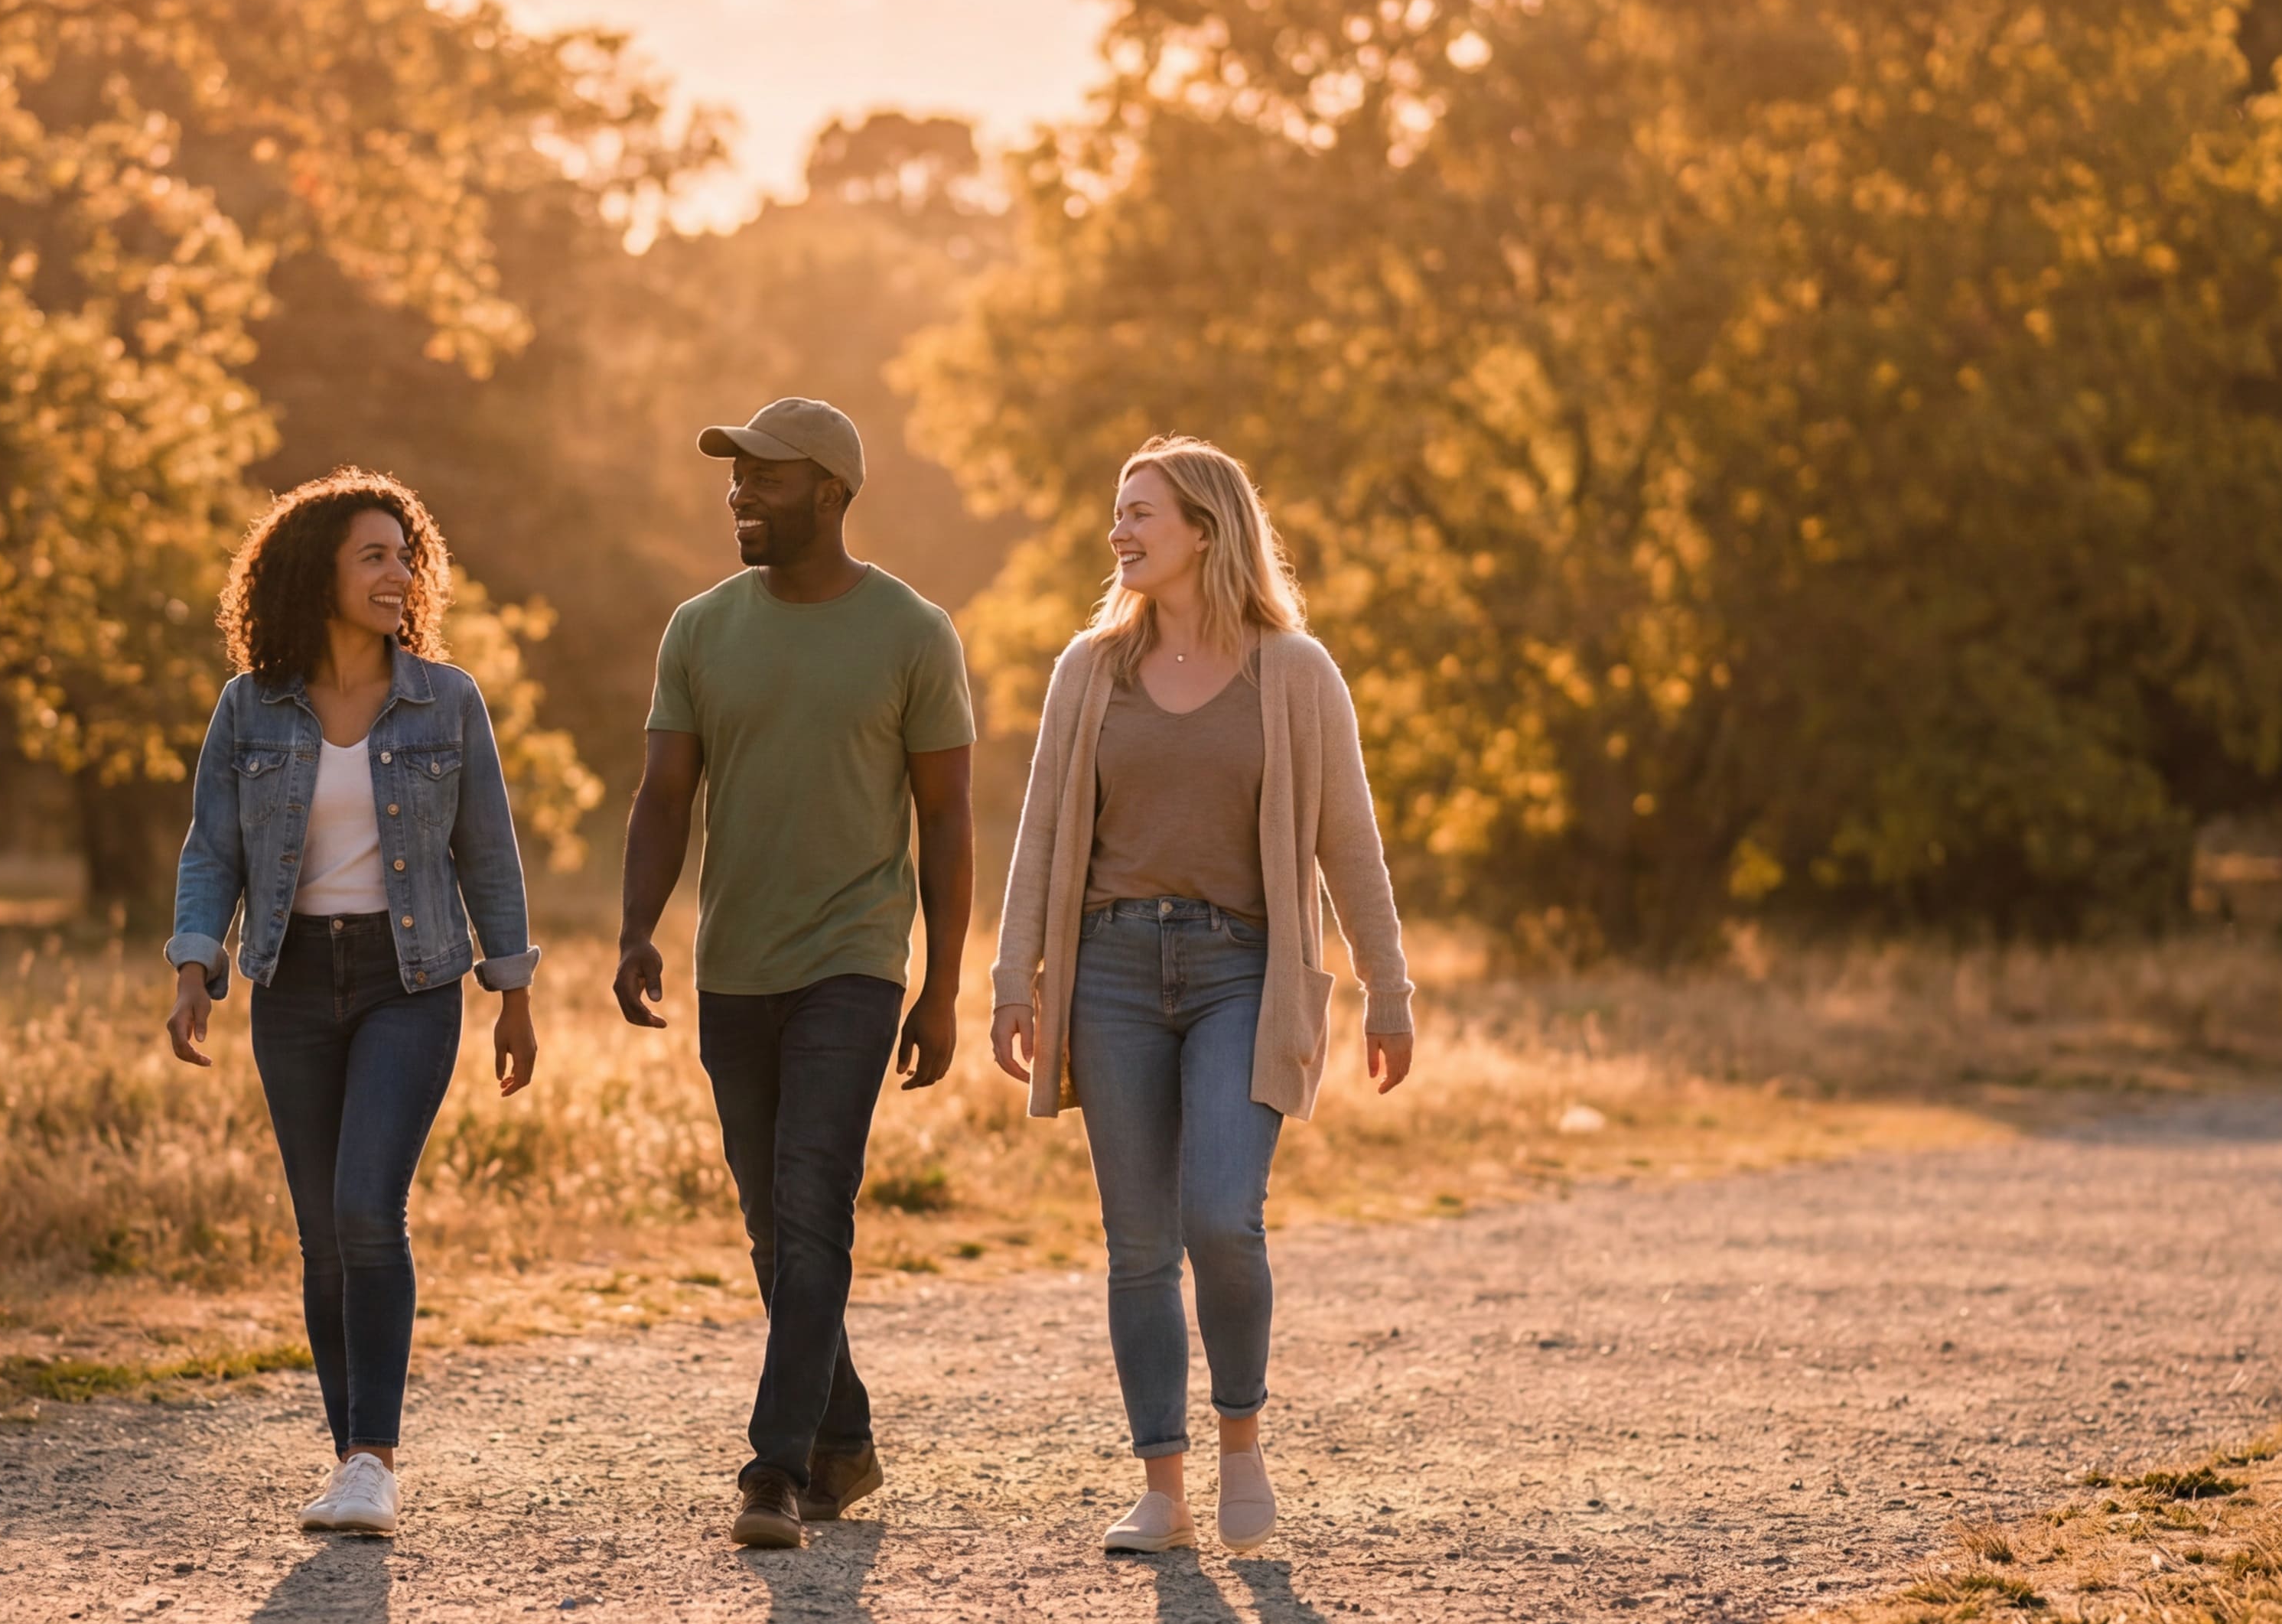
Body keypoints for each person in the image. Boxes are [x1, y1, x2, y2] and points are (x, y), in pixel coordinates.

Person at [987, 436, 1414, 1553]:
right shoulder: (1091, 670)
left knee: (1221, 1217)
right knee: (1138, 1244)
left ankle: (1241, 1441)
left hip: (1242, 973)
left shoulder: (1295, 671)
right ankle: (1162, 1491)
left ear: (1207, 533)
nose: (1121, 533)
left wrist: (1388, 986)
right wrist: (1013, 977)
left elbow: (1348, 845)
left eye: (1143, 515)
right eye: (1118, 515)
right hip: (1113, 973)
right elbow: (1039, 835)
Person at [615, 396, 978, 1551]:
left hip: (854, 964)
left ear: (831, 491)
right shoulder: (701, 628)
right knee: (776, 1227)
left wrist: (944, 987)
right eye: (735, 479)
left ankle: (772, 1474)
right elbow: (664, 796)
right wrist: (636, 931)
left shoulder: (914, 633)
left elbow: (949, 817)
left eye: (765, 479)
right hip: (737, 969)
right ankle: (846, 1437)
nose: (740, 496)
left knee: (814, 1204)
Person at [168, 470, 540, 1540]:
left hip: (409, 981)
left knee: (370, 1210)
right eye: (373, 555)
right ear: (315, 572)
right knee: (322, 1236)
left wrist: (512, 992)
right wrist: (196, 963)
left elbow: (489, 854)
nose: (398, 574)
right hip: (289, 984)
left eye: (404, 556)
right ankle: (348, 1459)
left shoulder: (447, 699)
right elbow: (214, 850)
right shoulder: (251, 706)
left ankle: (375, 1460)